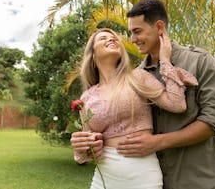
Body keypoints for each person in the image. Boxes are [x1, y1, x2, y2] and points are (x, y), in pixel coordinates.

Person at [72, 0, 215, 189]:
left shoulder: (198, 61)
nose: (131, 40)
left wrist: (158, 142)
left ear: (158, 27)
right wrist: (84, 147)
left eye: (137, 31)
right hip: (147, 177)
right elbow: (95, 140)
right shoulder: (136, 75)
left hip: (197, 179)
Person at [72, 28, 198, 189]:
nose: (112, 40)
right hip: (103, 179)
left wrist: (165, 60)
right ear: (93, 54)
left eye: (115, 38)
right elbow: (87, 151)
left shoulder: (138, 77)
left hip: (142, 176)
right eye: (103, 38)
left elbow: (177, 104)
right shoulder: (86, 98)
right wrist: (82, 148)